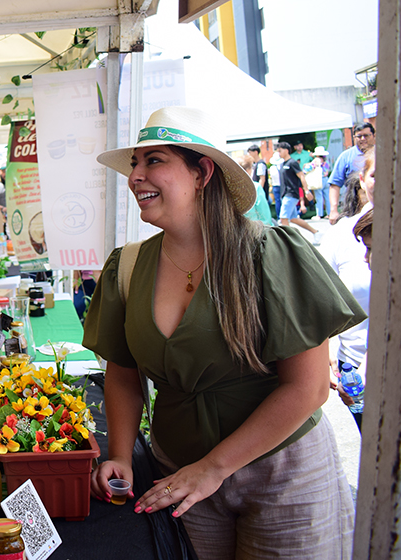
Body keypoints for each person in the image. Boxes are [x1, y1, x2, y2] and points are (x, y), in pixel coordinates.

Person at [84, 106, 364, 559]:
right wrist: (118, 453)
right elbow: (123, 374)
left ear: (202, 173)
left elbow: (308, 387)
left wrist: (213, 467)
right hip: (179, 475)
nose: (135, 176)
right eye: (135, 163)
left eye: (153, 160)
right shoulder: (128, 267)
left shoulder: (269, 253)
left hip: (284, 471)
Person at [319, 150, 374, 432]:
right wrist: (327, 350)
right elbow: (318, 294)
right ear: (363, 181)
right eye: (376, 173)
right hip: (356, 370)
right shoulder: (345, 233)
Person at [328, 123, 375, 224]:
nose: (362, 139)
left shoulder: (382, 154)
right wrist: (333, 210)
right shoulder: (346, 157)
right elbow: (335, 184)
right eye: (359, 136)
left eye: (366, 135)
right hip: (355, 208)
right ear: (354, 138)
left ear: (374, 136)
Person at [276, 142, 318, 234]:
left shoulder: (292, 162)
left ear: (286, 151)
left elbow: (301, 176)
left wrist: (306, 191)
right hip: (285, 194)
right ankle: (315, 232)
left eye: (280, 151)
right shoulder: (283, 163)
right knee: (293, 219)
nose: (279, 153)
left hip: (291, 194)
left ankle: (289, 241)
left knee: (283, 218)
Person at [237, 155, 273, 226]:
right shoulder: (255, 187)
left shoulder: (230, 188)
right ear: (247, 171)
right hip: (255, 229)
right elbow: (265, 215)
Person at [305, 146, 332, 219]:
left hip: (318, 180)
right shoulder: (326, 162)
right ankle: (329, 213)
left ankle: (319, 214)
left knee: (319, 197)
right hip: (326, 179)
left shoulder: (316, 161)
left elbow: (307, 169)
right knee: (327, 197)